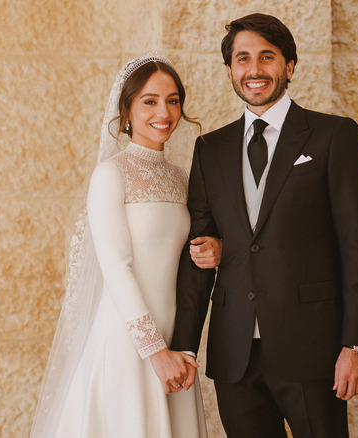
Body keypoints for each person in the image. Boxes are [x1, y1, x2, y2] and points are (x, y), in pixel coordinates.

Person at [172, 13, 358, 437]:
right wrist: (185, 346)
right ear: (230, 70)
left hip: (313, 349)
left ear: (289, 65)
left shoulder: (333, 136)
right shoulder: (210, 149)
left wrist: (356, 344)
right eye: (243, 58)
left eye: (267, 57)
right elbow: (199, 252)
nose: (254, 69)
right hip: (234, 354)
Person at [29, 53, 220, 438]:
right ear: (127, 110)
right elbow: (117, 266)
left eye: (172, 100)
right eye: (149, 101)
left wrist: (215, 248)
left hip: (175, 336)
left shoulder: (183, 178)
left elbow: (189, 254)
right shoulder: (111, 175)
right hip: (128, 336)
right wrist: (153, 351)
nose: (163, 111)